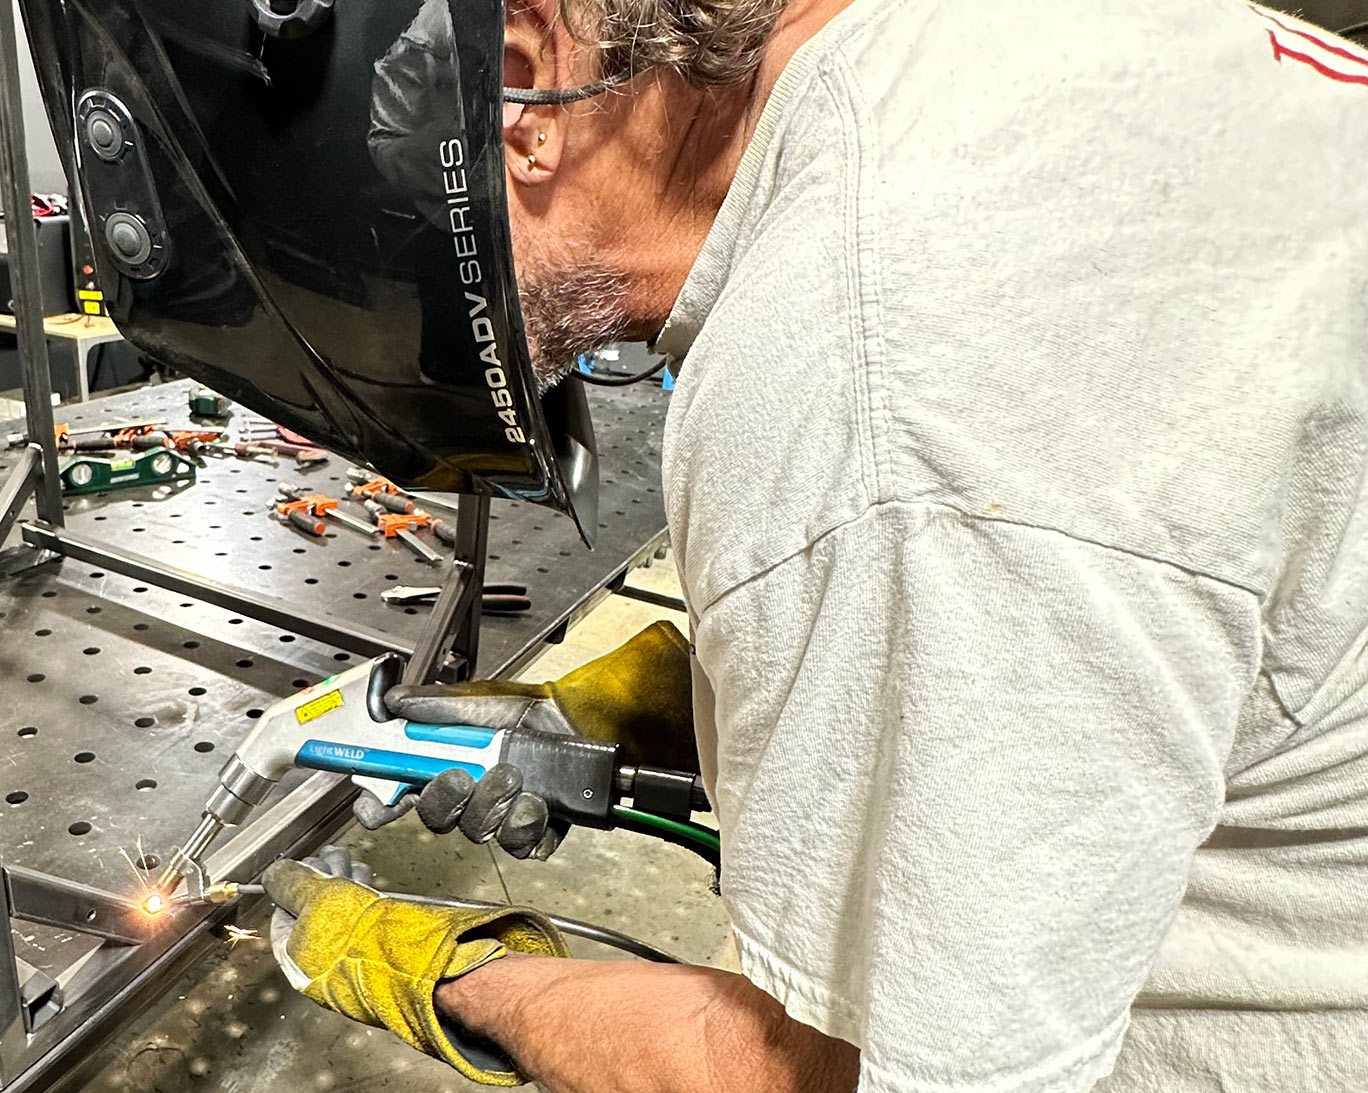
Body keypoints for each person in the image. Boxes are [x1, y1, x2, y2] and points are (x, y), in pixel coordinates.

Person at [260, 1, 1368, 1091]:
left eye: (375, 230)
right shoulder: (991, 60)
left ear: (519, 83)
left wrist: (459, 978)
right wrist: (681, 705)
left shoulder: (864, 362)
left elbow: (819, 1078)